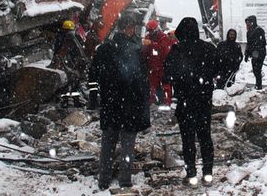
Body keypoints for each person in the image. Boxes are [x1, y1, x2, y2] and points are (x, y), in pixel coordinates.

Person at [89, 14, 150, 190]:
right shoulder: (135, 51)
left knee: (108, 143)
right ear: (129, 28)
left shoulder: (103, 49)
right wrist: (142, 105)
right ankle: (125, 179)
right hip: (129, 106)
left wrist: (94, 98)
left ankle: (104, 179)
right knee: (127, 144)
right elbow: (141, 82)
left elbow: (93, 75)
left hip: (110, 105)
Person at [164, 17, 217, 187]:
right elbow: (219, 67)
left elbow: (167, 75)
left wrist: (180, 82)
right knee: (205, 137)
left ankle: (192, 175)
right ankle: (208, 174)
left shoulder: (177, 50)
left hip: (186, 102)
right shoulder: (208, 48)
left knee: (188, 140)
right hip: (204, 101)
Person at [142, 19, 175, 105]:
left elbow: (165, 51)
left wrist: (151, 44)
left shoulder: (164, 37)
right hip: (152, 68)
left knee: (166, 86)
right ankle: (152, 104)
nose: (150, 32)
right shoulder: (148, 38)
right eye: (149, 31)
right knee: (152, 87)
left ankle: (167, 104)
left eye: (151, 30)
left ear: (156, 29)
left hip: (163, 67)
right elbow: (145, 53)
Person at [244, 15, 267, 90]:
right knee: (255, 70)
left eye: (248, 23)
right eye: (246, 23)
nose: (247, 25)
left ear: (253, 22)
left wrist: (257, 52)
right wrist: (247, 54)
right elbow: (248, 44)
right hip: (254, 54)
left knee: (257, 69)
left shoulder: (259, 30)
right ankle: (258, 84)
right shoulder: (249, 32)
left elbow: (262, 42)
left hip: (259, 54)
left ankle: (259, 85)